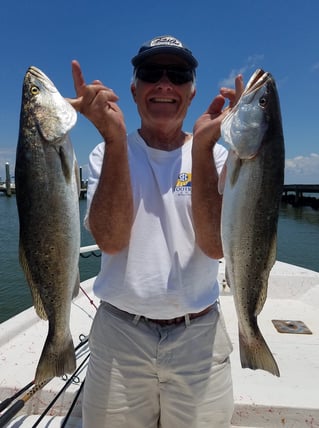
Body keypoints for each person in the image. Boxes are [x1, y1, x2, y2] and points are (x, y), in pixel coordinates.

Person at [68, 35, 243, 428]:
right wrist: (113, 138)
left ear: (192, 91)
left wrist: (201, 150)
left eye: (177, 74)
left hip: (199, 336)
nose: (164, 83)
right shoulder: (107, 152)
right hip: (119, 336)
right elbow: (110, 240)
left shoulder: (214, 153)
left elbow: (216, 246)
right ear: (134, 89)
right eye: (151, 73)